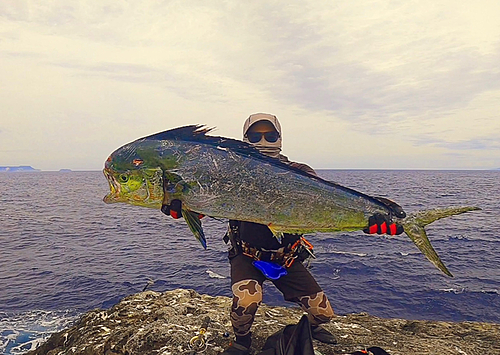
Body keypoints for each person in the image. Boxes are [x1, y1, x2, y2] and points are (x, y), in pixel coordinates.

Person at [163, 113, 404, 355]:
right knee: (247, 301)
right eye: (256, 135)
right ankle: (242, 340)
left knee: (324, 314)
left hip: (286, 257)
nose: (264, 140)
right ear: (244, 139)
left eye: (270, 135)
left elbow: (331, 200)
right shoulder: (229, 173)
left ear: (280, 137)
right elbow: (206, 203)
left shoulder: (299, 172)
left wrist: (375, 214)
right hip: (247, 255)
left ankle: (307, 329)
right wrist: (183, 205)